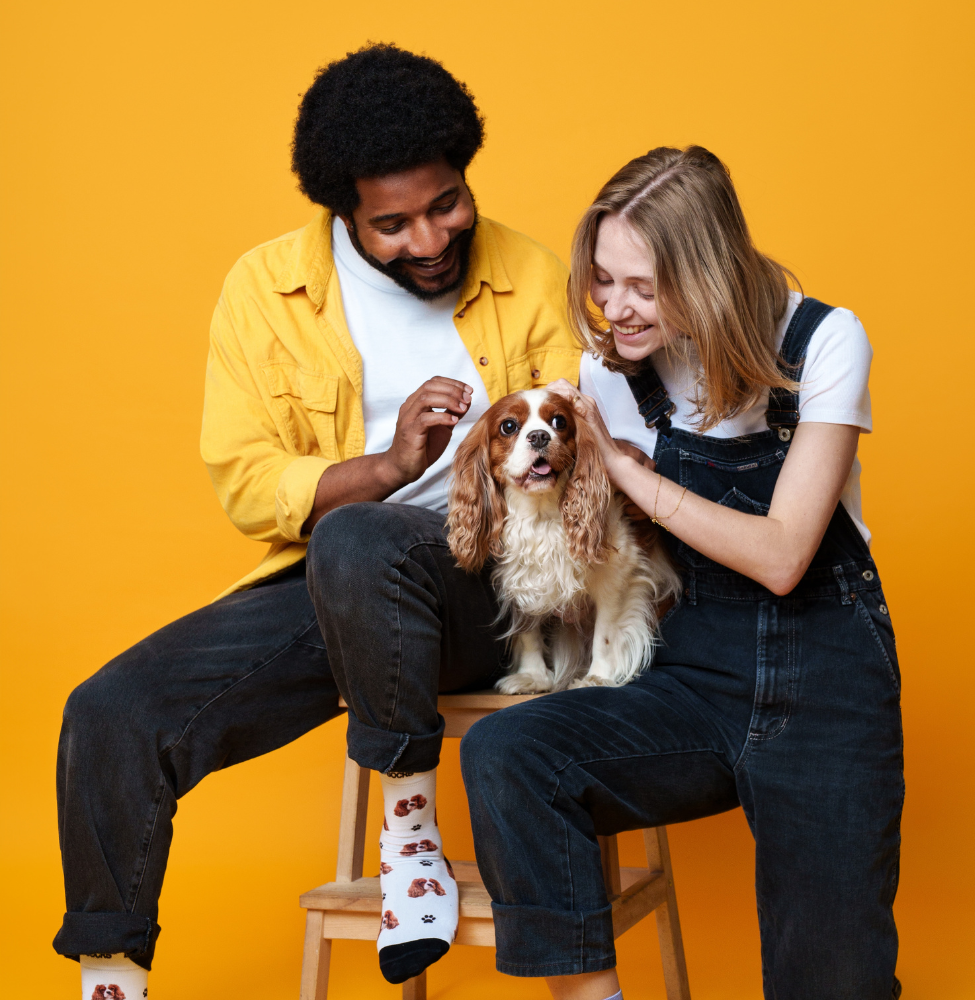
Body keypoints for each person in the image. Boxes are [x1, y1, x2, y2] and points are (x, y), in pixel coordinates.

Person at [54, 43, 581, 996]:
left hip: (493, 586)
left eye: (447, 204)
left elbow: (586, 455)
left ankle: (409, 839)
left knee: (357, 533)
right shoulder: (265, 292)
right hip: (333, 586)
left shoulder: (534, 277)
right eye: (393, 224)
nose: (429, 239)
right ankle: (109, 980)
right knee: (110, 712)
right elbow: (247, 480)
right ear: (343, 212)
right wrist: (387, 467)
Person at [460, 146, 903, 1000]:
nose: (613, 309)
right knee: (511, 753)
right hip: (693, 672)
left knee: (832, 982)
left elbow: (783, 556)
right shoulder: (611, 371)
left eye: (643, 287)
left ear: (709, 273)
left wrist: (628, 474)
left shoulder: (822, 342)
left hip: (826, 682)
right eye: (603, 280)